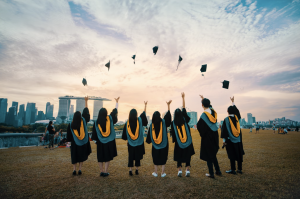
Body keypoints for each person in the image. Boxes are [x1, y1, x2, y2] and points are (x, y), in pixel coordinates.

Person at [92, 97, 120, 177]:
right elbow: (114, 112)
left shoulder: (96, 122)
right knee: (107, 157)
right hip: (109, 142)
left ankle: (101, 171)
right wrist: (117, 103)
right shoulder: (109, 119)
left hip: (100, 142)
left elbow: (94, 134)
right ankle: (105, 171)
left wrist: (96, 141)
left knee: (100, 157)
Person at [170, 93, 195, 177]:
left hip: (178, 143)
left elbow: (172, 134)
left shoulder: (173, 123)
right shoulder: (184, 120)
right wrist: (183, 98)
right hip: (187, 141)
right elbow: (184, 108)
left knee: (179, 155)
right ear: (181, 114)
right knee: (187, 155)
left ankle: (179, 170)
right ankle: (187, 170)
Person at [66, 96, 92, 175]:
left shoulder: (71, 124)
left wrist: (68, 144)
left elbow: (69, 136)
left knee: (74, 156)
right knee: (81, 156)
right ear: (81, 117)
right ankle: (80, 169)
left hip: (74, 143)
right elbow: (86, 113)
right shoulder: (83, 121)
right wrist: (86, 101)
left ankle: (74, 170)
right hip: (83, 142)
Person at [197, 95, 221, 178]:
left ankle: (211, 173)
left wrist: (202, 134)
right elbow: (210, 107)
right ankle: (218, 170)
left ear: (202, 105)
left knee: (208, 155)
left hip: (207, 137)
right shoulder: (213, 112)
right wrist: (203, 99)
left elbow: (199, 126)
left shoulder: (203, 115)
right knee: (213, 154)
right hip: (215, 135)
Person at [146, 100, 172, 177]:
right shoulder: (163, 122)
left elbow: (149, 136)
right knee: (163, 157)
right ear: (160, 116)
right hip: (164, 144)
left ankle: (156, 172)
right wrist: (168, 106)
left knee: (156, 158)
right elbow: (168, 117)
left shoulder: (152, 125)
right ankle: (163, 173)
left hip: (155, 146)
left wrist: (149, 140)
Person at [122, 101, 148, 176]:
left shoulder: (127, 123)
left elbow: (125, 133)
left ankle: (130, 170)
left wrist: (127, 140)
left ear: (129, 114)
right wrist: (145, 105)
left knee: (130, 156)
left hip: (130, 143)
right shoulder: (139, 120)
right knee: (137, 156)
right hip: (139, 143)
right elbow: (144, 114)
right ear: (136, 114)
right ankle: (137, 170)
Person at [221, 96, 245, 175]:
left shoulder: (226, 119)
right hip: (238, 139)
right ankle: (240, 169)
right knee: (239, 153)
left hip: (230, 140)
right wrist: (233, 102)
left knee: (231, 154)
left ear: (227, 111)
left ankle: (233, 169)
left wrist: (224, 141)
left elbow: (224, 131)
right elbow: (237, 112)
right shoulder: (237, 118)